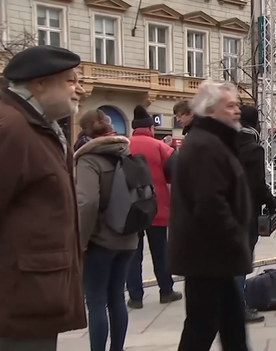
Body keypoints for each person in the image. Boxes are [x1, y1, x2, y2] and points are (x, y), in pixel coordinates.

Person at [0, 45, 86, 350]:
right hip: (16, 305)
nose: (80, 90)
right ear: (39, 83)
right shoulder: (11, 128)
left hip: (34, 298)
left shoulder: (37, 127)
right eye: (71, 81)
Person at [168, 79, 252, 351]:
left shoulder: (213, 141)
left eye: (237, 104)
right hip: (208, 256)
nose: (237, 110)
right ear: (210, 110)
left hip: (213, 256)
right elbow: (210, 203)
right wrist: (234, 238)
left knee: (230, 323)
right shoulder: (205, 145)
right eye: (230, 106)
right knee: (203, 325)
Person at [74, 110, 138, 351]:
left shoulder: (88, 158)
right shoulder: (126, 151)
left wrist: (81, 241)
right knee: (117, 298)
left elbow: (87, 202)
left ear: (85, 130)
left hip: (100, 240)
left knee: (97, 300)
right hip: (128, 236)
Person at [126, 104, 182, 309]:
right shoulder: (161, 147)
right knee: (160, 252)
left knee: (133, 253)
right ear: (150, 128)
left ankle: (135, 296)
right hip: (157, 209)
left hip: (131, 210)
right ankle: (166, 291)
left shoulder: (125, 145)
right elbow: (174, 174)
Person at [235, 104, 276, 323]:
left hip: (227, 213)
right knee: (242, 262)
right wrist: (272, 204)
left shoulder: (226, 143)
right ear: (255, 124)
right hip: (247, 213)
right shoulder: (254, 149)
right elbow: (258, 184)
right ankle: (239, 307)